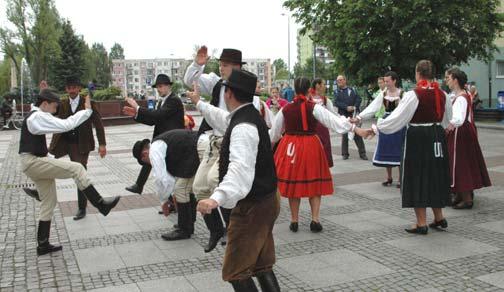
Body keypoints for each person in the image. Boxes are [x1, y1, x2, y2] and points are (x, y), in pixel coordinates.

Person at [190, 69, 281, 292]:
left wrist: (216, 198)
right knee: (261, 265)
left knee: (235, 271)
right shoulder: (246, 116)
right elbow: (223, 119)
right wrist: (199, 103)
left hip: (253, 207)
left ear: (228, 93)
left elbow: (240, 169)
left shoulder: (243, 126)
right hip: (265, 200)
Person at [184, 46, 267, 252]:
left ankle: (233, 228)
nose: (221, 69)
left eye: (226, 65)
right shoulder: (216, 84)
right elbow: (190, 80)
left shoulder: (251, 100)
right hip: (214, 141)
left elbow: (238, 125)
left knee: (217, 181)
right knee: (199, 187)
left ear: (238, 67)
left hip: (231, 142)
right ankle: (216, 229)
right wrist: (198, 64)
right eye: (220, 64)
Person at [19, 89, 120, 255]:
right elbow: (66, 125)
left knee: (48, 202)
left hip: (32, 162)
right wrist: (87, 111)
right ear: (44, 104)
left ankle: (42, 244)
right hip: (33, 163)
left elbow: (39, 145)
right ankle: (101, 204)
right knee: (77, 168)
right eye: (53, 107)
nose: (55, 110)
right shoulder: (37, 116)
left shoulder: (34, 115)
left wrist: (50, 156)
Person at [270, 77, 371, 233]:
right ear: (308, 89)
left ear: (295, 90)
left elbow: (275, 133)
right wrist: (357, 130)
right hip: (310, 145)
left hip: (290, 147)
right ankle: (315, 219)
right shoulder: (314, 107)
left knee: (293, 183)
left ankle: (294, 220)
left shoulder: (286, 109)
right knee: (314, 183)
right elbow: (334, 121)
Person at [370, 60, 452, 234]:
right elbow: (447, 120)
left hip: (417, 137)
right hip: (437, 136)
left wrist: (376, 127)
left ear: (418, 73)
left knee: (416, 175)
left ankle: (421, 222)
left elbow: (397, 119)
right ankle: (439, 217)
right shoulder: (443, 94)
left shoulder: (413, 95)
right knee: (435, 174)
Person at [49, 77, 107, 220]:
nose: (72, 90)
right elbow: (48, 112)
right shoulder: (61, 104)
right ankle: (40, 190)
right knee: (46, 163)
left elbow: (98, 125)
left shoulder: (88, 103)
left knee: (80, 174)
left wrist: (102, 144)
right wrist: (44, 92)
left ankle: (82, 208)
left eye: (74, 87)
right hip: (63, 143)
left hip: (81, 145)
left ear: (79, 89)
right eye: (69, 88)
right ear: (66, 89)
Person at [123, 74, 185, 196]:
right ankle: (140, 186)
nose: (159, 89)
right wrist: (135, 115)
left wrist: (138, 107)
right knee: (153, 161)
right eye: (157, 87)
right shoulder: (162, 102)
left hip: (172, 142)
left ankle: (171, 199)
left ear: (168, 86)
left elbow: (158, 115)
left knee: (167, 171)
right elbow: (153, 121)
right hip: (163, 140)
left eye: (161, 86)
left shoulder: (174, 100)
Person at [132, 129, 199, 240]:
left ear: (144, 155)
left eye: (146, 163)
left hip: (196, 149)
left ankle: (184, 229)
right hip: (195, 147)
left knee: (181, 189)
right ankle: (188, 223)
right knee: (186, 188)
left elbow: (160, 178)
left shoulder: (154, 150)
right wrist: (169, 197)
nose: (150, 164)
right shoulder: (159, 144)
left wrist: (164, 201)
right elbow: (170, 178)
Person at [445, 67, 491, 209]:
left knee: (460, 164)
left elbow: (459, 118)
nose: (446, 81)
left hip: (461, 133)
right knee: (458, 163)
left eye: (448, 78)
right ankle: (459, 194)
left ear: (455, 80)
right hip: (463, 132)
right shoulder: (461, 95)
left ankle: (467, 199)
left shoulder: (461, 98)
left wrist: (448, 126)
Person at [355, 71, 405, 187]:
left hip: (398, 123)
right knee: (387, 149)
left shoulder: (402, 94)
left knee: (399, 150)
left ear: (394, 81)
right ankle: (389, 177)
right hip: (386, 122)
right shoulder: (383, 94)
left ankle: (400, 178)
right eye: (385, 81)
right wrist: (359, 117)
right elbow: (373, 108)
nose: (386, 83)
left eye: (388, 81)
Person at [333, 75, 368, 160]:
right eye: (338, 81)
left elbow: (358, 99)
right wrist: (346, 107)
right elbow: (336, 102)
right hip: (343, 116)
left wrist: (354, 107)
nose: (339, 82)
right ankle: (345, 154)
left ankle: (362, 153)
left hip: (353, 115)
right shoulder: (336, 92)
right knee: (345, 134)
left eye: (341, 80)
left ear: (345, 80)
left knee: (357, 134)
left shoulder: (352, 90)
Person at [310, 78, 337, 168]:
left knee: (324, 150)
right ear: (318, 85)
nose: (325, 86)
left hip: (323, 130)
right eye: (324, 84)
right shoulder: (308, 98)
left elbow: (333, 114)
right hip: (311, 130)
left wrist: (345, 121)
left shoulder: (325, 100)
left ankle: (323, 172)